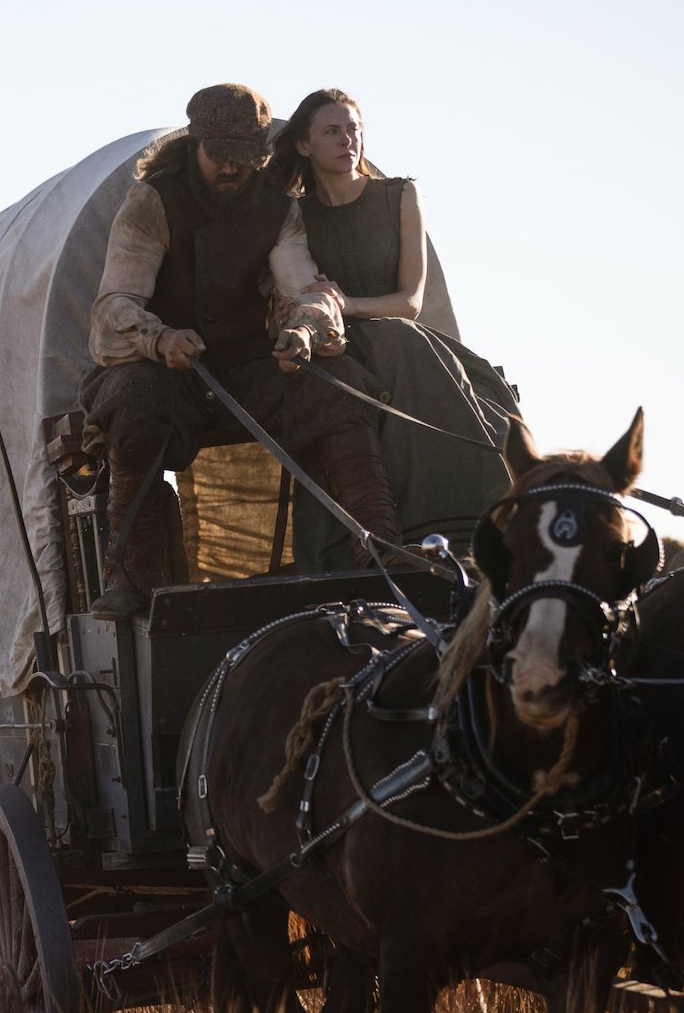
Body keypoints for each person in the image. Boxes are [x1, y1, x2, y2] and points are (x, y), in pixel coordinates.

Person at [79, 82, 399, 617]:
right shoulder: (152, 201)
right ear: (196, 144)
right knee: (135, 399)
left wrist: (303, 331)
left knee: (337, 387)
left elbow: (304, 290)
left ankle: (379, 550)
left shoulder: (278, 209)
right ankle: (131, 578)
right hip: (164, 367)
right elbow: (115, 304)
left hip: (247, 366)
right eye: (221, 158)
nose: (233, 170)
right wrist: (160, 339)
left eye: (244, 160)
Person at [268, 88, 520, 566]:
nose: (349, 141)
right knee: (332, 388)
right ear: (304, 145)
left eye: (354, 129)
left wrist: (347, 303)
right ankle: (365, 544)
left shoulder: (400, 195)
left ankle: (459, 526)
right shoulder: (297, 217)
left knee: (408, 346)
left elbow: (410, 302)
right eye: (333, 131)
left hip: (402, 335)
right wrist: (326, 313)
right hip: (335, 343)